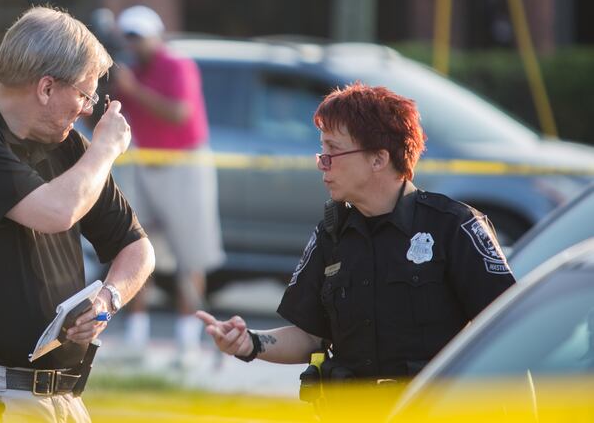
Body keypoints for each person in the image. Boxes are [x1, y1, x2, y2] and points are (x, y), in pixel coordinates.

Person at [0, 6, 155, 422]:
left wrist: (107, 300)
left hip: (61, 398)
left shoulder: (70, 149)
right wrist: (106, 149)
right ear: (45, 88)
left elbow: (137, 246)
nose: (87, 110)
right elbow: (56, 211)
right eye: (84, 94)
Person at [197, 83, 515, 383]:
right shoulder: (331, 234)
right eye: (322, 150)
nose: (322, 163)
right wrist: (249, 342)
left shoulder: (454, 226)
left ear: (378, 159)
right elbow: (310, 335)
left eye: (333, 150)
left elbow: (510, 331)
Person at [112, 5, 224, 365]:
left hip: (184, 163)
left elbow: (179, 113)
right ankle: (136, 338)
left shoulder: (176, 66)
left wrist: (133, 88)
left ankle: (187, 344)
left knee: (190, 255)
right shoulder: (130, 72)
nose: (133, 44)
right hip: (147, 162)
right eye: (128, 37)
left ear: (155, 36)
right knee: (135, 247)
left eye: (138, 37)